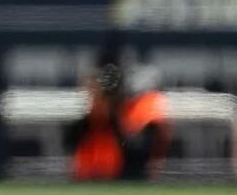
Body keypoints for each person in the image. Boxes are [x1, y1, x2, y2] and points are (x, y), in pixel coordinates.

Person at [65, 49, 172, 182]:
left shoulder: (140, 109)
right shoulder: (90, 119)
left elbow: (139, 146)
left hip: (123, 173)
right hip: (92, 171)